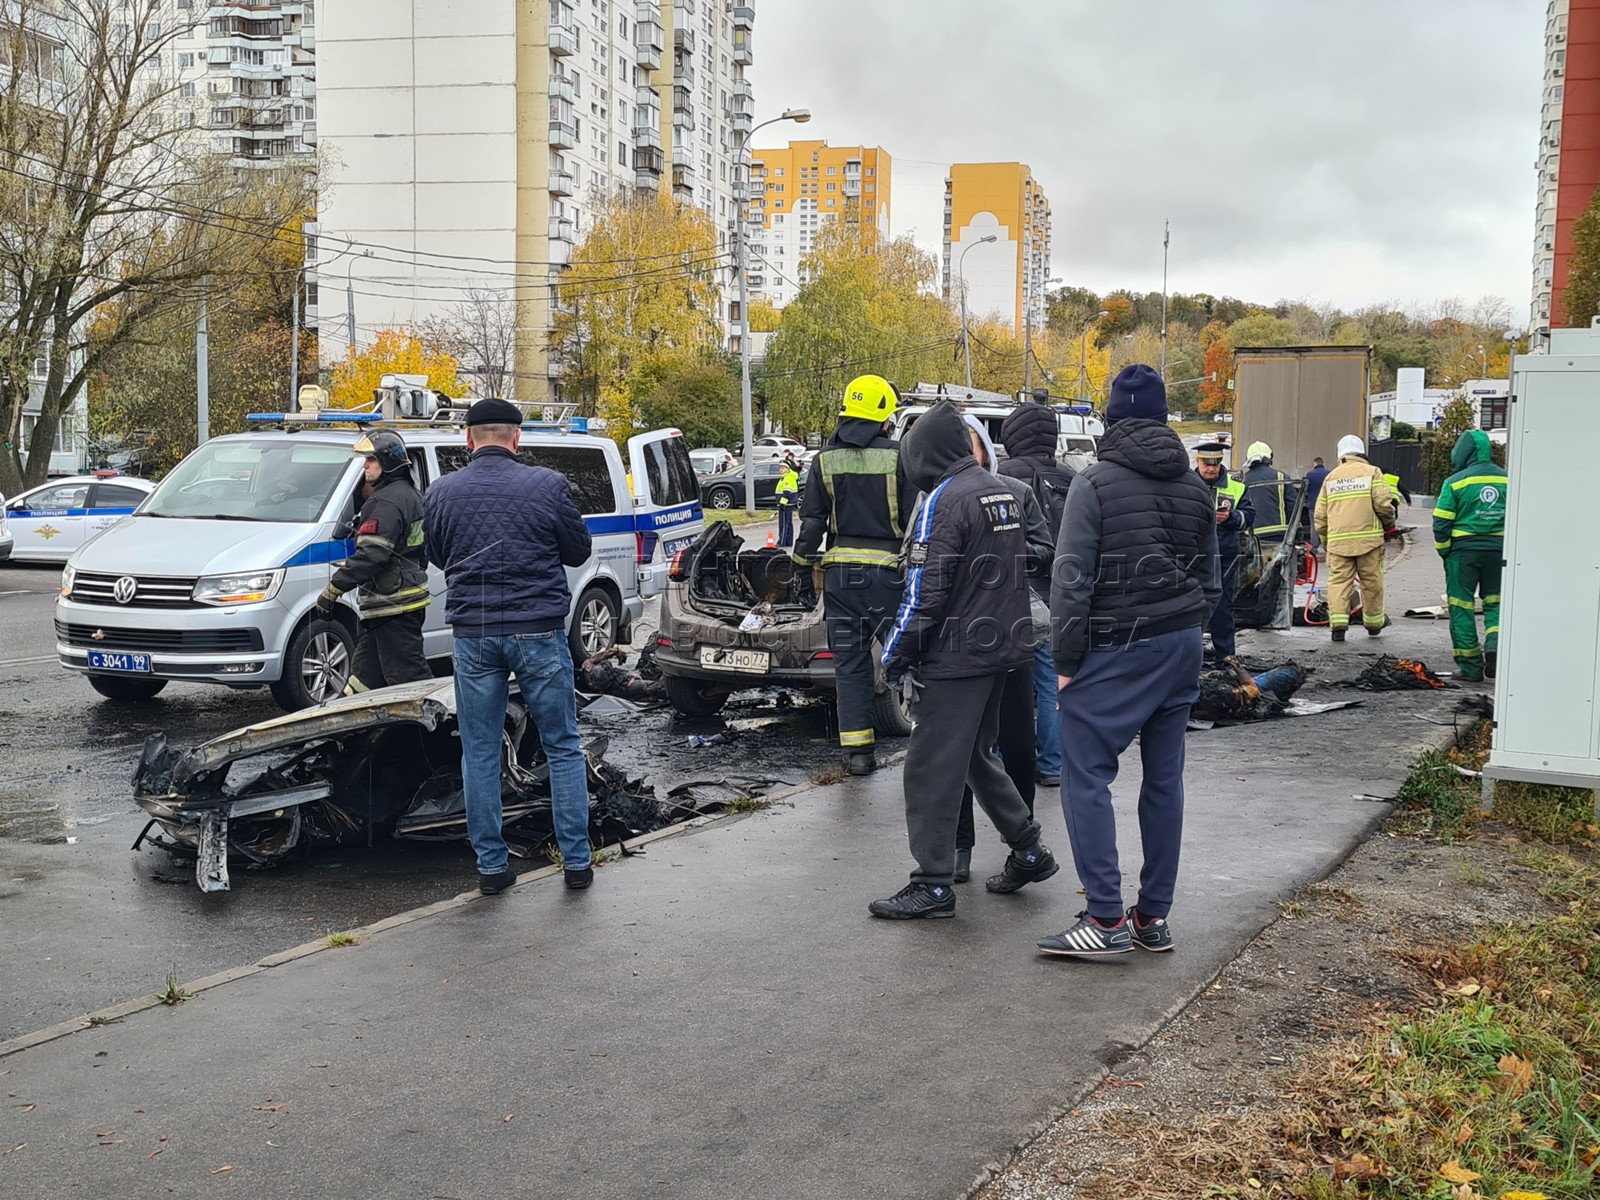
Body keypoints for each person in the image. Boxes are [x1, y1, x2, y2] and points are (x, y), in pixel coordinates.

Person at [1039, 365, 1221, 960]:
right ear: (1166, 418)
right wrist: (1187, 627)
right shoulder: (1197, 487)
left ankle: (1106, 918)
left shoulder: (1093, 484)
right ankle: (1153, 917)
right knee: (1164, 779)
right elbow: (1213, 583)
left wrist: (1067, 660)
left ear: (1110, 420)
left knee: (1085, 770)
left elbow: (1070, 581)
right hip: (1181, 645)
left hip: (1119, 645)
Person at [872, 401, 1058, 919]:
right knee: (975, 757)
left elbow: (924, 593)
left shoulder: (944, 499)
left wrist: (894, 655)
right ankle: (1027, 848)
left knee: (928, 769)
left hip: (957, 655)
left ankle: (932, 884)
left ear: (923, 456)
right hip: (1002, 647)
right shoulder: (1000, 492)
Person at [422, 398, 595, 896]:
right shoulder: (547, 485)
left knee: (478, 751)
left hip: (473, 635)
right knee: (562, 745)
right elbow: (578, 550)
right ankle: (577, 865)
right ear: (517, 438)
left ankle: (492, 870)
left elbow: (435, 553)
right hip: (537, 630)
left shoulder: (442, 491)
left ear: (468, 439)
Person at [793, 375, 918, 776]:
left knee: (850, 666)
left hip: (841, 580)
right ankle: (931, 742)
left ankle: (859, 755)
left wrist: (798, 568)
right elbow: (916, 519)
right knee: (907, 657)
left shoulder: (824, 459)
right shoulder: (901, 456)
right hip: (888, 578)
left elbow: (811, 522)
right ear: (885, 416)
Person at [952, 414, 1055, 884]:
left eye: (969, 446)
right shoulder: (936, 498)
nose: (962, 456)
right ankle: (958, 848)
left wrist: (1002, 553)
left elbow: (1045, 550)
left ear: (985, 451)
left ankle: (1022, 849)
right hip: (957, 636)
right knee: (961, 745)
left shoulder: (1017, 492)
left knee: (1014, 739)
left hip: (1011, 630)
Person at [314, 429, 431, 694]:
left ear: (388, 462)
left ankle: (438, 734)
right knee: (364, 681)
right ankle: (354, 734)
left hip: (392, 607)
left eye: (371, 459)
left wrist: (332, 591)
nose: (365, 465)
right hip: (395, 605)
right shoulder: (412, 496)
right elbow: (417, 551)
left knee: (409, 683)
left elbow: (372, 555)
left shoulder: (385, 501)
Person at [998, 397, 1076, 788]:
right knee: (1051, 685)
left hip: (1008, 597)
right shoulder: (1071, 477)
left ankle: (994, 766)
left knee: (1003, 685)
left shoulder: (999, 476)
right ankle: (1051, 765)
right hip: (1057, 596)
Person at [1432, 429, 1507, 681]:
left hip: (1463, 553)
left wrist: (1445, 552)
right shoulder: (1508, 479)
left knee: (1461, 606)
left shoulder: (1455, 482)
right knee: (1496, 603)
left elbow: (1441, 523)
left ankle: (1471, 667)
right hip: (1499, 551)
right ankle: (1495, 646)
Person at [1314, 435, 1396, 642]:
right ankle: (1374, 623)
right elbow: (1384, 505)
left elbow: (1320, 517)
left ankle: (1339, 625)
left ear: (1340, 454)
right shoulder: (1373, 473)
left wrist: (1326, 542)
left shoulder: (1330, 477)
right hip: (1369, 541)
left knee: (1339, 582)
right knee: (1371, 581)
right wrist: (1389, 525)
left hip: (1338, 543)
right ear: (1362, 453)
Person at [1194, 441, 1253, 662]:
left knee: (1222, 609)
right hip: (1192, 557)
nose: (1211, 468)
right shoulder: (1186, 484)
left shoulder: (1236, 487)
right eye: (1206, 464)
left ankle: (1226, 659)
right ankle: (1190, 658)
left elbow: (1249, 516)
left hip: (1224, 556)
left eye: (1216, 464)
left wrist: (1231, 518)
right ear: (1197, 461)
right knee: (1191, 608)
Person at [1240, 441, 1291, 546]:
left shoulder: (1242, 480)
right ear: (1270, 458)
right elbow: (1292, 506)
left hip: (1252, 535)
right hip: (1279, 534)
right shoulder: (1281, 477)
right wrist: (1298, 530)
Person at [1302, 456, 1329, 554]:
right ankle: (1327, 546)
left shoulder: (1310, 474)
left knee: (1314, 525)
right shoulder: (1329, 474)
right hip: (1327, 503)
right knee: (1327, 524)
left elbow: (1306, 490)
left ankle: (1314, 547)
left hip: (1313, 503)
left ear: (1315, 464)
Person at [774, 453, 800, 548]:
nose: (780, 470)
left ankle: (782, 542)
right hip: (788, 504)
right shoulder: (786, 477)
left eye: (783, 468)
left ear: (788, 469)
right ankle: (788, 542)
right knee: (788, 523)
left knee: (784, 523)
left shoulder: (788, 478)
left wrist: (782, 504)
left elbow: (787, 493)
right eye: (780, 468)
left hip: (786, 504)